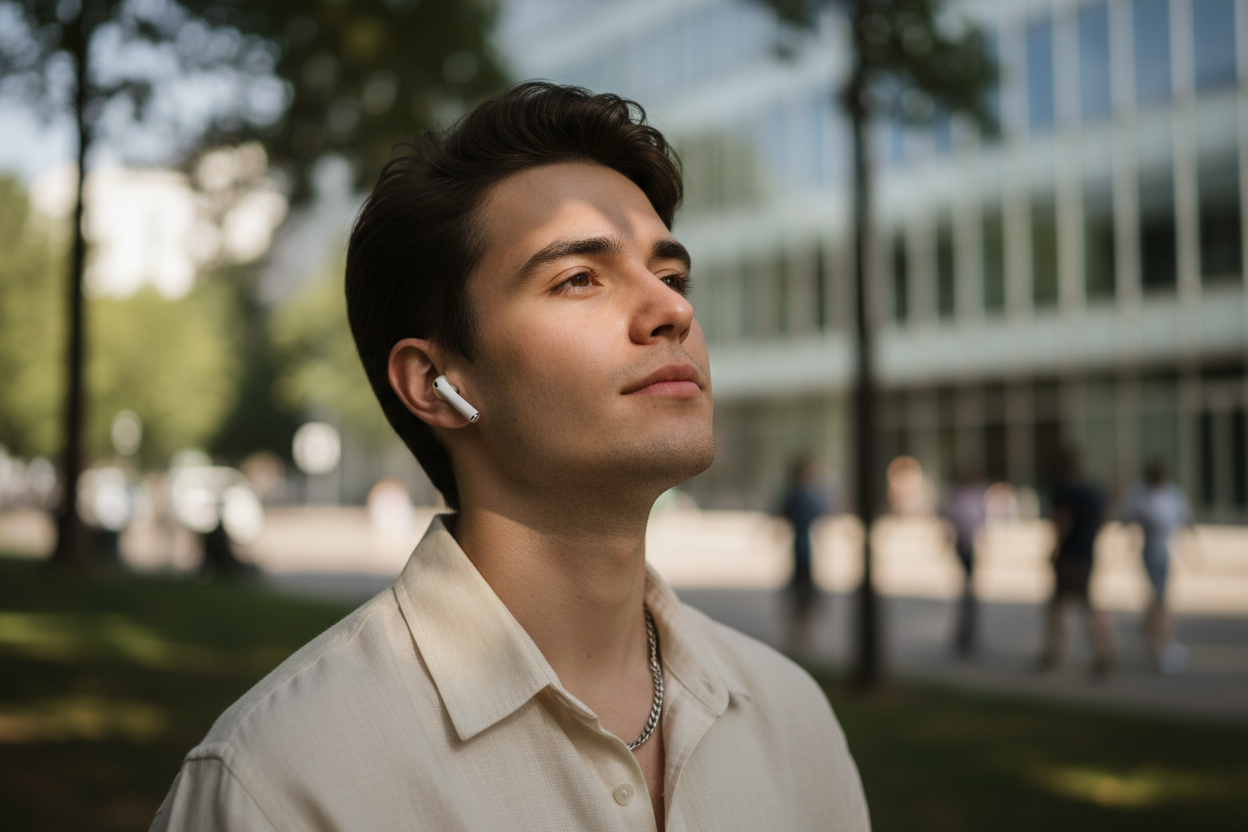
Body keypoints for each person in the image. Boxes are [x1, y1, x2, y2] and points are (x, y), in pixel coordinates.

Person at [150, 83, 869, 831]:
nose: (674, 311)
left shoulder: (794, 723)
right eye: (579, 278)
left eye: (671, 276)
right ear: (436, 384)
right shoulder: (279, 784)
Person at [1039, 449, 1115, 678]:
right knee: (1069, 606)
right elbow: (1102, 519)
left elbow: (1062, 522)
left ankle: (1095, 653)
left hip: (1070, 557)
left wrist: (1054, 550)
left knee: (1071, 607)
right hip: (1086, 555)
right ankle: (1097, 652)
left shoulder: (1064, 492)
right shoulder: (1092, 492)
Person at [1122, 459, 1190, 674]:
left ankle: (1156, 637)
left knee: (1160, 598)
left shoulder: (1172, 494)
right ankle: (1157, 639)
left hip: (1164, 551)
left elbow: (1184, 519)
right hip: (1151, 551)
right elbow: (1129, 518)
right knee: (1158, 596)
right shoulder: (1141, 494)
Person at [776, 455, 829, 655]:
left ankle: (798, 633)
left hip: (802, 549)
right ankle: (803, 634)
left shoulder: (795, 495)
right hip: (804, 550)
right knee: (804, 594)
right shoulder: (803, 496)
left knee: (801, 593)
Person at [938, 463, 987, 658]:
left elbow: (981, 520)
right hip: (963, 546)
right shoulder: (958, 495)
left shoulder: (976, 494)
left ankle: (968, 633)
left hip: (972, 546)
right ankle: (965, 634)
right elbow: (950, 518)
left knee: (970, 592)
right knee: (968, 592)